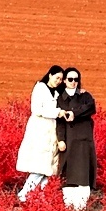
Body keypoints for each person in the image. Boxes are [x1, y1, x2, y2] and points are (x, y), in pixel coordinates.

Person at [15, 65, 65, 202]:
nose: (59, 81)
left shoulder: (56, 93)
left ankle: (40, 198)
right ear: (50, 75)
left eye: (61, 79)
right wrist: (57, 112)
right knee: (39, 167)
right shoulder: (40, 89)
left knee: (48, 170)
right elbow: (37, 109)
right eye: (57, 78)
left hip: (51, 134)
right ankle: (24, 196)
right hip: (39, 131)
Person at [54, 66, 97, 211]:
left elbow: (91, 107)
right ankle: (69, 205)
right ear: (65, 81)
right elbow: (59, 121)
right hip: (69, 139)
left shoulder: (85, 96)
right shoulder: (60, 99)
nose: (73, 82)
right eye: (70, 79)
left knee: (84, 173)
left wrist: (74, 113)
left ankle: (81, 206)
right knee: (69, 172)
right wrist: (61, 140)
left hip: (84, 139)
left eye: (76, 79)